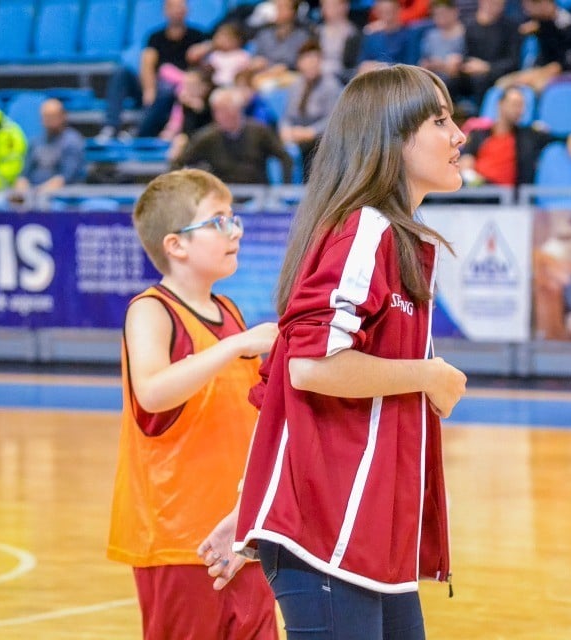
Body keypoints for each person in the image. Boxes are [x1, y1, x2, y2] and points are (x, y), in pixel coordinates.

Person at [199, 64, 468, 639]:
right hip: (325, 531)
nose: (459, 135)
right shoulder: (364, 229)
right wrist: (429, 375)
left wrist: (251, 509)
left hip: (366, 531)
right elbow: (310, 367)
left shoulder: (399, 239)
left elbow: (282, 392)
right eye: (440, 120)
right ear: (391, 138)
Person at [107, 168, 280, 640]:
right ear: (176, 245)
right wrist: (232, 347)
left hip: (241, 533)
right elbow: (152, 390)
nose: (235, 230)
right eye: (218, 221)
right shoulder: (150, 309)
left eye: (234, 218)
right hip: (178, 540)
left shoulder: (230, 313)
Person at [99, 0, 209, 141]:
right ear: (165, 11)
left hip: (179, 91)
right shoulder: (155, 37)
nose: (177, 11)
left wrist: (203, 50)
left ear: (187, 10)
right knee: (121, 73)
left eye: (181, 6)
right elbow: (147, 63)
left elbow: (202, 70)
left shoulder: (197, 36)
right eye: (173, 7)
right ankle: (111, 126)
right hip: (155, 88)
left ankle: (138, 132)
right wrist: (149, 89)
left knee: (167, 89)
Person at [458, 86, 571, 186]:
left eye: (522, 106)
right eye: (515, 104)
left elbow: (560, 137)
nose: (520, 110)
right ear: (500, 104)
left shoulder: (529, 135)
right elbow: (466, 162)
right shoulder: (478, 135)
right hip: (479, 189)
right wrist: (470, 175)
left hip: (505, 197)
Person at [176, 87, 294, 184]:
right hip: (222, 195)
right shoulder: (207, 137)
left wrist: (284, 188)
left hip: (258, 194)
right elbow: (180, 162)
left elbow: (285, 157)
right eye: (217, 111)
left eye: (226, 110)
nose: (222, 116)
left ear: (238, 109)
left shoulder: (259, 131)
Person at [279, 40, 343, 180]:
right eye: (307, 60)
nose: (311, 64)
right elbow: (286, 116)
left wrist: (311, 132)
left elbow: (333, 118)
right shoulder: (295, 86)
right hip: (297, 135)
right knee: (279, 149)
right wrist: (286, 130)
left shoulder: (330, 85)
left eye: (315, 60)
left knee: (316, 150)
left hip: (321, 138)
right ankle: (285, 194)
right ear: (299, 63)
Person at [496, 0, 571, 93]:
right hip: (539, 69)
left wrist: (533, 75)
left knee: (536, 86)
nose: (526, 10)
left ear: (544, 3)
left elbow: (564, 64)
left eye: (529, 6)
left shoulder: (565, 25)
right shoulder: (538, 21)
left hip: (566, 73)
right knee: (502, 83)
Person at [14, 99, 86, 195]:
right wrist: (22, 191)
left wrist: (37, 194)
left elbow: (64, 178)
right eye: (45, 116)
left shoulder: (72, 141)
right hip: (33, 194)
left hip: (63, 195)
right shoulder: (36, 142)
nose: (48, 120)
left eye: (52, 116)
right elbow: (23, 175)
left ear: (63, 116)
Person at [419, 0, 466, 83]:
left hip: (458, 81)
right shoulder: (431, 35)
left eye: (444, 12)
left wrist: (441, 66)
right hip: (432, 80)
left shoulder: (465, 34)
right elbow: (423, 64)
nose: (441, 17)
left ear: (455, 11)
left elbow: (457, 68)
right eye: (436, 14)